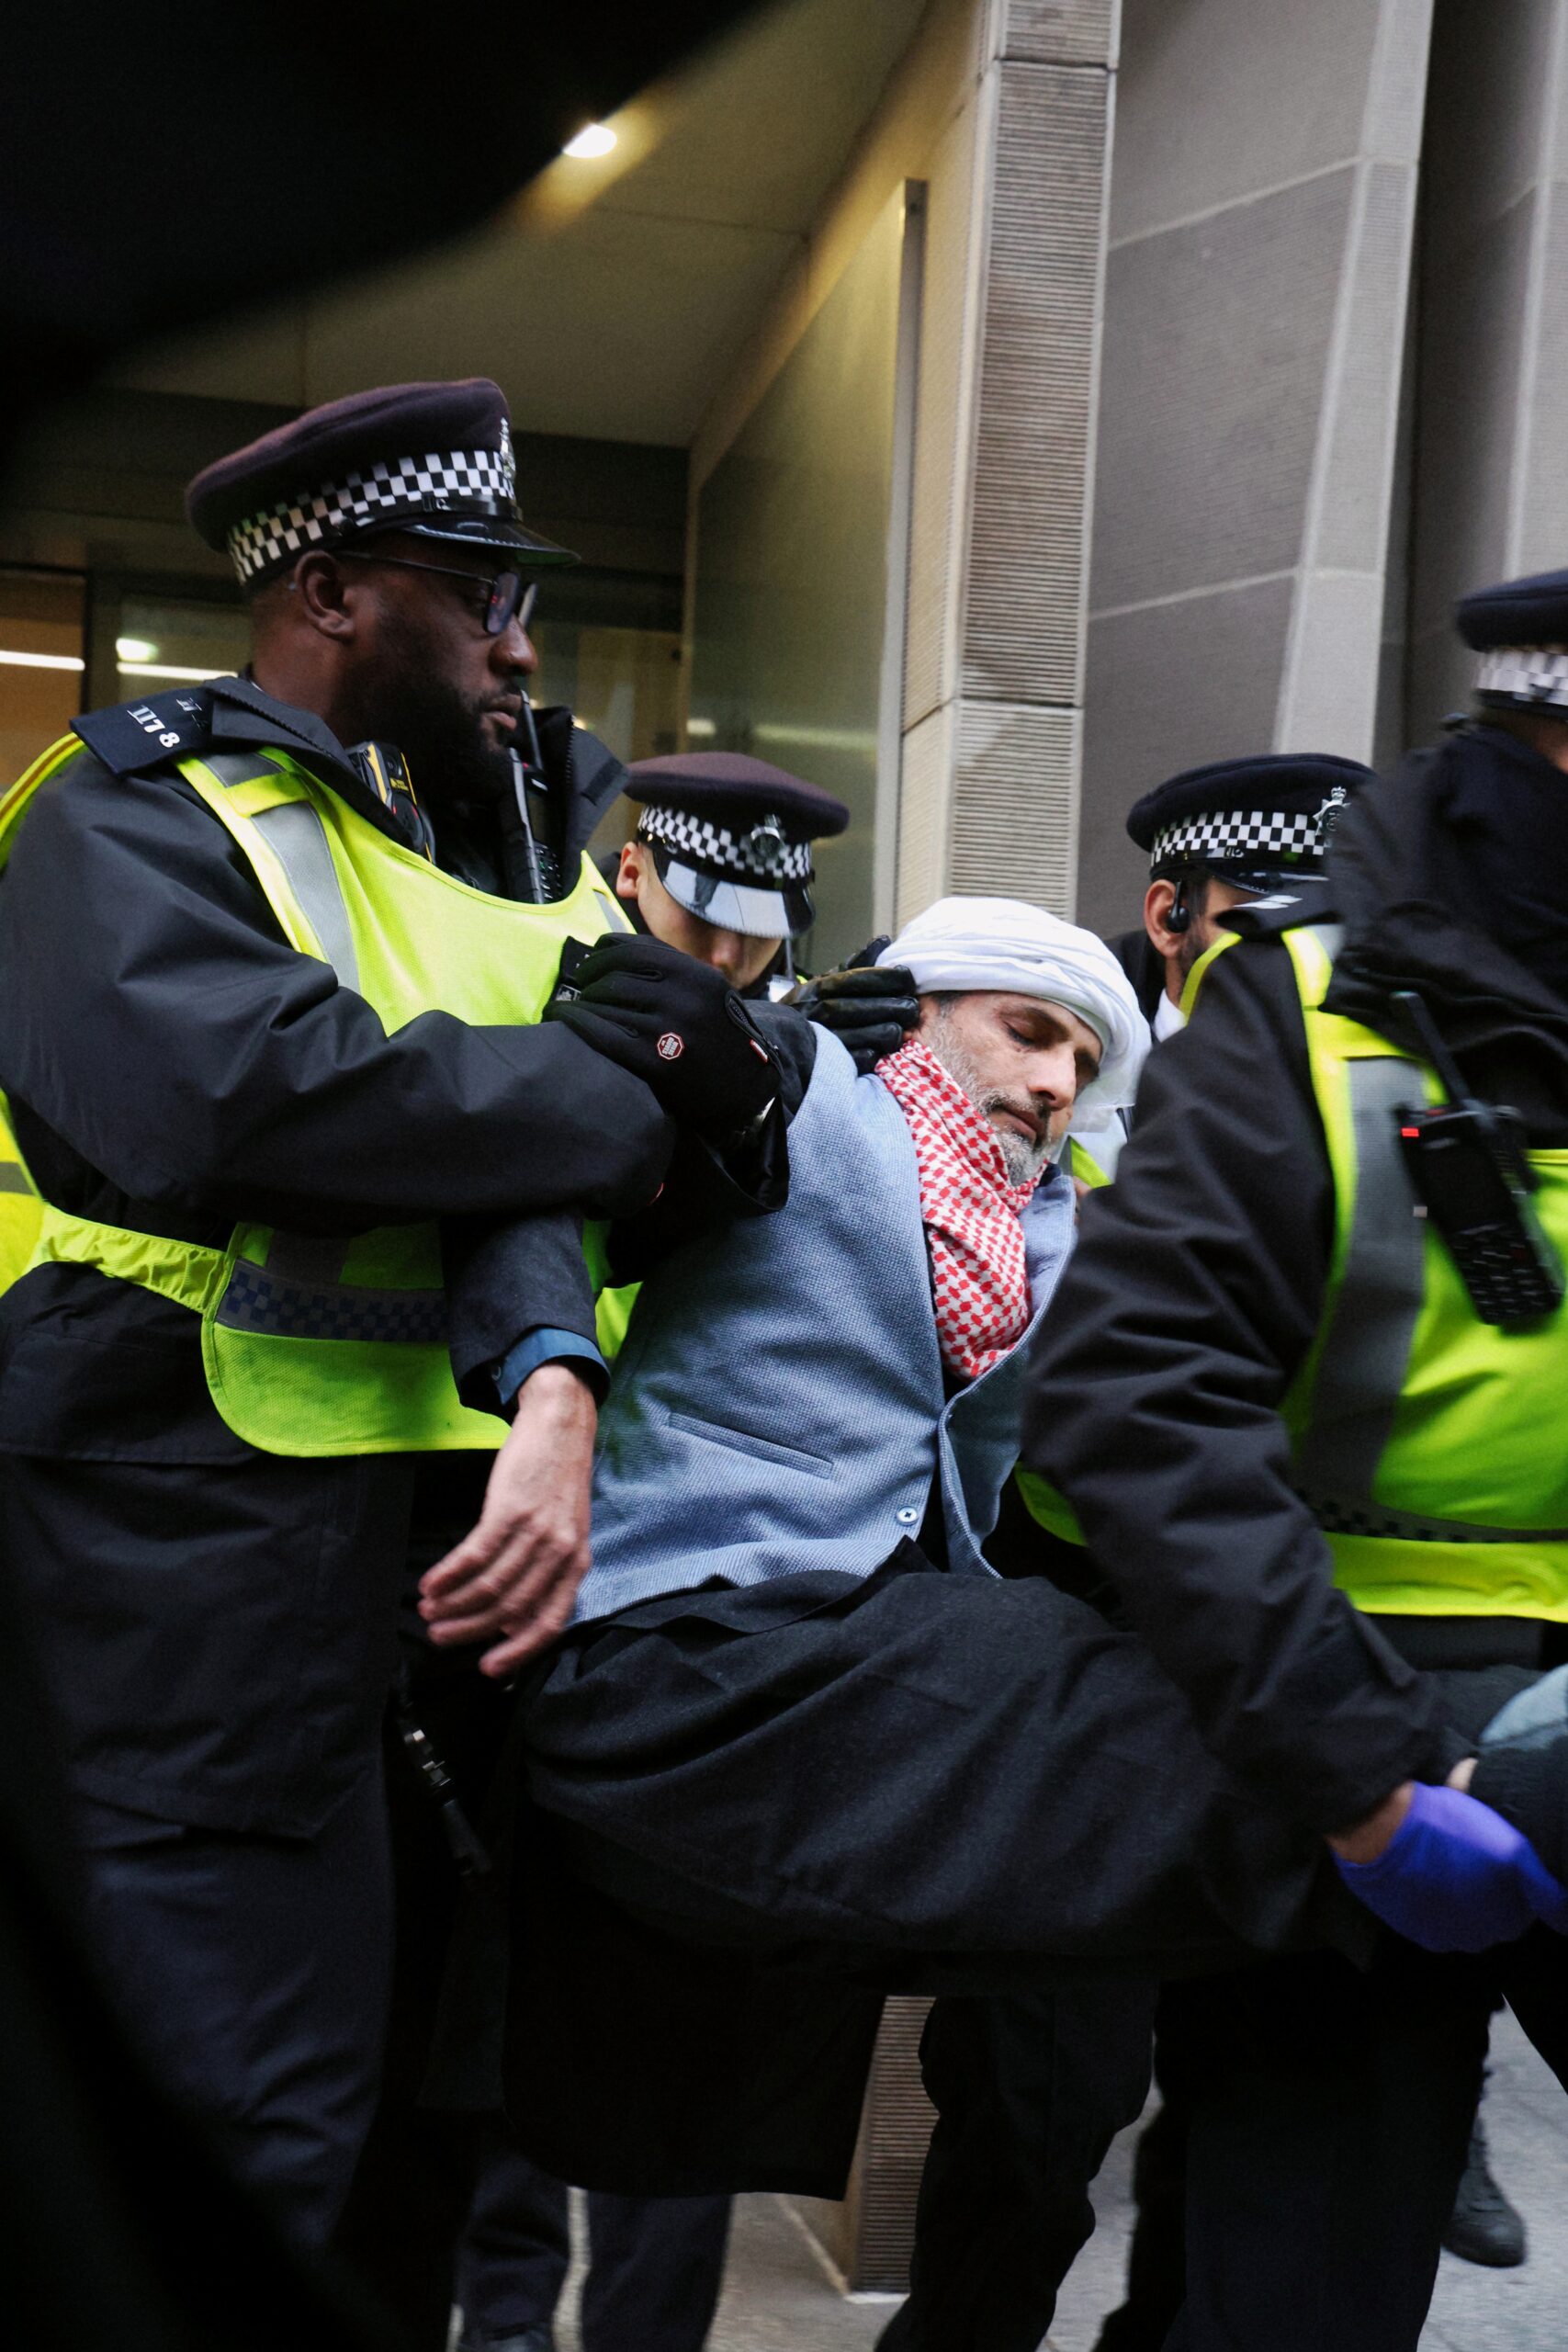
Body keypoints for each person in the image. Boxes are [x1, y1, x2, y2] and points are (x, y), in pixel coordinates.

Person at [427, 895, 1561, 2352]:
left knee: (1116, 2019)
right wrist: (550, 1382)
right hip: (696, 1658)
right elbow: (544, 1163)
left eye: (1085, 1063)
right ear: (920, 1007)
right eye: (1027, 1033)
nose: (1053, 1085)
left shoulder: (1064, 1227)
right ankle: (1481, 1787)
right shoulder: (792, 1079)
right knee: (1288, 1764)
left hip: (888, 1690)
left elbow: (1151, 1432)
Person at [0, 376, 781, 2256]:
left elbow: (664, 1129)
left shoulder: (489, 853)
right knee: (231, 2133)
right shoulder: (122, 813)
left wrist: (552, 1371)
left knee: (408, 2151)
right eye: (478, 588)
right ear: (334, 591)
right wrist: (621, 1098)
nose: (522, 637)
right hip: (166, 1562)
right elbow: (266, 1106)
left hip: (437, 1583)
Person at [1020, 566, 1568, 2349]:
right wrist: (1355, 1779)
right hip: (1360, 1737)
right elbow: (1129, 1398)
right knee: (1299, 2286)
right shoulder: (1296, 1005)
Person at [454, 749, 852, 2352]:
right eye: (710, 926)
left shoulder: (808, 1053)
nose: (737, 960)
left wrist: (843, 1083)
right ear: (635, 874)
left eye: (762, 938)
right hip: (508, 1534)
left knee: (678, 2006)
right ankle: (493, 2320)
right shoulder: (529, 986)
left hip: (696, 1590)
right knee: (503, 1981)